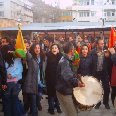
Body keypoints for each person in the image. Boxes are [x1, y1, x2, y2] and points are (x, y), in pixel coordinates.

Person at [56, 42, 85, 116]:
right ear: (72, 50)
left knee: (72, 112)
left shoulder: (66, 59)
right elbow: (68, 77)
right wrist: (78, 83)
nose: (75, 51)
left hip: (65, 90)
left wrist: (76, 76)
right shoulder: (65, 61)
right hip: (64, 92)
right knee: (72, 114)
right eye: (74, 49)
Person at [23, 43, 44, 116]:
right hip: (32, 84)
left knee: (36, 100)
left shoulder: (42, 58)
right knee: (33, 102)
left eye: (38, 48)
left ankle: (30, 111)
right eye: (35, 48)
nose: (37, 49)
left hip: (39, 84)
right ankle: (32, 112)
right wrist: (26, 51)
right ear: (32, 49)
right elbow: (28, 56)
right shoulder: (31, 57)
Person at [2, 46, 23, 116]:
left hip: (14, 83)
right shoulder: (3, 59)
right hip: (6, 83)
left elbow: (20, 69)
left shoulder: (17, 58)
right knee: (9, 101)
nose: (9, 52)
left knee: (12, 101)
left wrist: (11, 75)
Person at [91, 38, 111, 109]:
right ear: (97, 44)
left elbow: (110, 63)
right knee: (97, 89)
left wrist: (108, 57)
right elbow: (90, 63)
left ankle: (106, 103)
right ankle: (98, 103)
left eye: (103, 43)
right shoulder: (92, 52)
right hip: (96, 73)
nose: (103, 45)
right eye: (101, 43)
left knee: (107, 88)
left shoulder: (106, 52)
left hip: (104, 73)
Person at [45, 44, 62, 114]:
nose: (54, 49)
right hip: (50, 79)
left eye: (56, 48)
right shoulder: (48, 56)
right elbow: (45, 69)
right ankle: (51, 108)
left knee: (57, 95)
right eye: (52, 48)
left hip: (58, 80)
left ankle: (58, 107)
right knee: (50, 95)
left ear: (58, 49)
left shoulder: (61, 57)